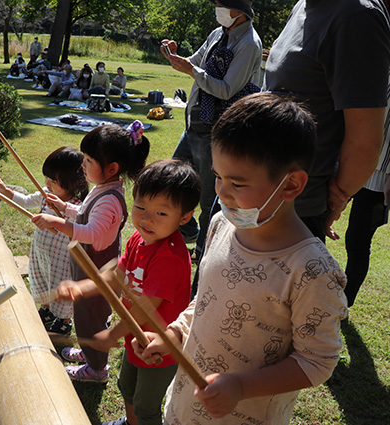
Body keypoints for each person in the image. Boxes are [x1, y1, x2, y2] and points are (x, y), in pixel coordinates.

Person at [133, 93, 348, 425]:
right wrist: (173, 334)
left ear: (291, 184)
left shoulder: (311, 270)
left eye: (237, 182)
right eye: (218, 176)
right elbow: (205, 301)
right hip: (183, 409)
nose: (221, 191)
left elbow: (317, 361)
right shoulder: (220, 224)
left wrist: (241, 385)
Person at [57, 159, 200, 425]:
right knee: (127, 387)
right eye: (140, 207)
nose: (146, 218)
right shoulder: (139, 238)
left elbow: (146, 307)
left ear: (184, 217)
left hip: (159, 347)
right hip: (134, 340)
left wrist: (112, 333)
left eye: (161, 213)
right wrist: (82, 288)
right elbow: (117, 273)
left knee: (147, 405)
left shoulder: (170, 256)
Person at [32, 121, 150, 383]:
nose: (82, 165)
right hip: (87, 269)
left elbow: (92, 233)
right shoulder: (103, 189)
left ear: (111, 168)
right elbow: (86, 215)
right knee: (85, 318)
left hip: (98, 275)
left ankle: (97, 370)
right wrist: (65, 207)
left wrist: (58, 222)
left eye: (87, 160)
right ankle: (89, 354)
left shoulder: (109, 199)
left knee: (92, 321)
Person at [264, 0, 390, 240]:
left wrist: (337, 197)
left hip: (293, 213)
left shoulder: (357, 16)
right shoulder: (304, 5)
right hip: (254, 194)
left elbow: (365, 144)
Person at [162, 0, 262, 264]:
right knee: (170, 181)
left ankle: (204, 254)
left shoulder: (249, 44)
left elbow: (227, 89)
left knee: (208, 200)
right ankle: (190, 231)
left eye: (221, 4)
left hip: (217, 131)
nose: (216, 9)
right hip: (194, 124)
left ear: (238, 10)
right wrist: (174, 56)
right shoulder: (218, 34)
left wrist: (192, 70)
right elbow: (194, 63)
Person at [0, 147, 89, 335]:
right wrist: (6, 192)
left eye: (54, 180)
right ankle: (46, 310)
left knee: (59, 285)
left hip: (62, 259)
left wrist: (63, 207)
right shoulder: (45, 194)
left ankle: (63, 321)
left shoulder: (77, 206)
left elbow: (83, 218)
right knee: (41, 278)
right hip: (41, 251)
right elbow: (27, 201)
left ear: (74, 182)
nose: (47, 183)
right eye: (47, 178)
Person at [339, 75, 390, 307]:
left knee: (358, 241)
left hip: (381, 176)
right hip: (354, 160)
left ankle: (344, 304)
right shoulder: (380, 66)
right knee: (318, 218)